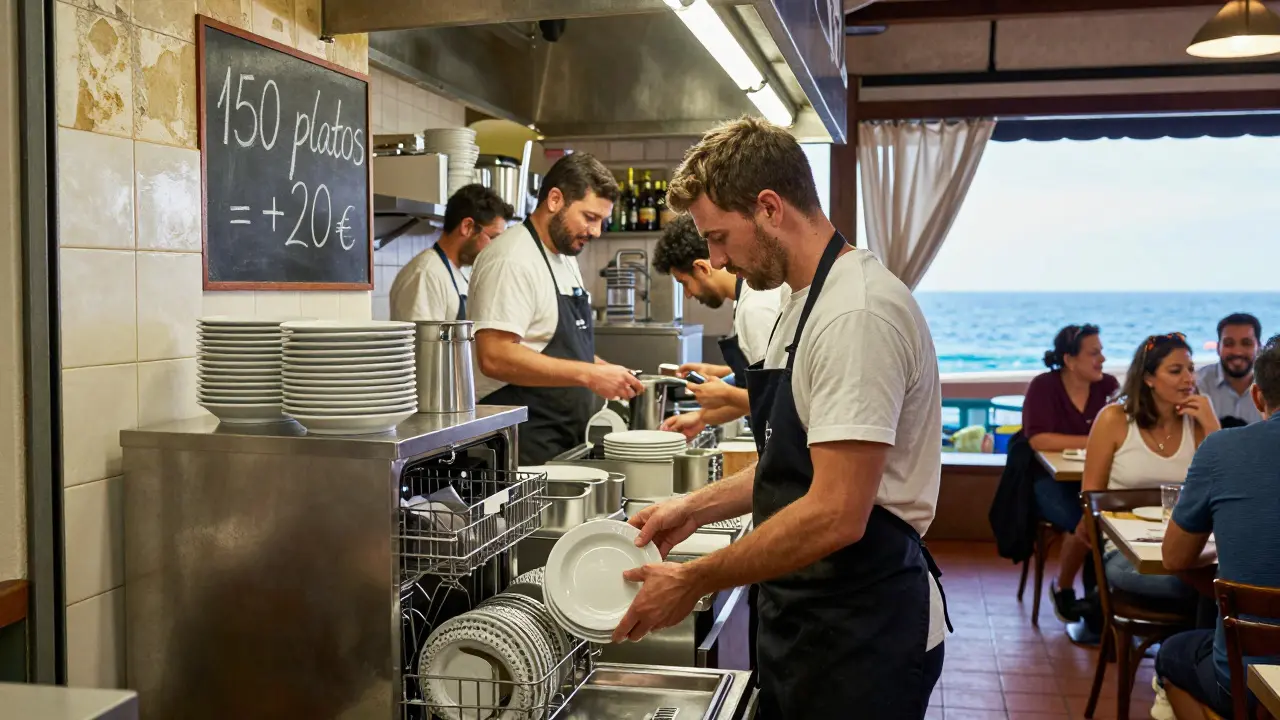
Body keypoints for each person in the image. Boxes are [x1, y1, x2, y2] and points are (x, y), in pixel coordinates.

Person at [614, 117, 948, 718]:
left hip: (865, 630)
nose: (716, 258)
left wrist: (693, 580)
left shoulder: (856, 315)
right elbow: (794, 469)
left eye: (719, 237)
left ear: (769, 208)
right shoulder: (802, 303)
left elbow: (836, 512)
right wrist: (692, 508)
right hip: (813, 615)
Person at [469, 153, 643, 465]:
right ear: (554, 200)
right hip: (521, 445)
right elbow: (493, 356)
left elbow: (550, 343)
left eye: (601, 221)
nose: (596, 231)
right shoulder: (511, 259)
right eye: (589, 217)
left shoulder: (563, 258)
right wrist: (589, 375)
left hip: (562, 439)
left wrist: (606, 371)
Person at [1157, 334, 1280, 719]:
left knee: (1171, 656)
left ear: (1257, 397)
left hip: (1247, 677)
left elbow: (1174, 557)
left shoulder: (1222, 449)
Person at [1078, 333, 1219, 604]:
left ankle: (1201, 632)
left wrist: (1212, 425)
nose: (1189, 379)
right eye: (1176, 371)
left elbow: (1223, 488)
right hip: (1125, 553)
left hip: (1188, 550)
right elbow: (1089, 501)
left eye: (1191, 369)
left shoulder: (1198, 422)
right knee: (1201, 587)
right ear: (1148, 378)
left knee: (1219, 581)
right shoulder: (1113, 419)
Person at [650, 214, 786, 438]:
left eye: (685, 283)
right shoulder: (746, 300)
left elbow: (780, 399)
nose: (688, 294)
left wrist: (725, 394)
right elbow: (760, 380)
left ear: (702, 268)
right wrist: (703, 414)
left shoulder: (756, 308)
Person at [1023, 324, 1119, 622]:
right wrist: (1098, 440)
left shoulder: (1108, 386)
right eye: (1094, 353)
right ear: (1069, 360)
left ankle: (1101, 597)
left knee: (1103, 515)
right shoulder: (1044, 386)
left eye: (1101, 352)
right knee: (1087, 519)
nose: (1102, 359)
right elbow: (1039, 440)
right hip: (1049, 481)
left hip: (1095, 478)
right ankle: (1064, 588)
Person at [389, 184, 514, 322]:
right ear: (467, 227)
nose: (495, 248)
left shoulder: (458, 272)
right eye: (492, 238)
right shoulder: (426, 274)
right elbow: (424, 336)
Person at [1197, 313, 1263, 427]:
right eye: (1229, 344)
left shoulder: (1273, 387)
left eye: (1246, 343)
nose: (1237, 352)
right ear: (1218, 348)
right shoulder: (1197, 385)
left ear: (1259, 348)